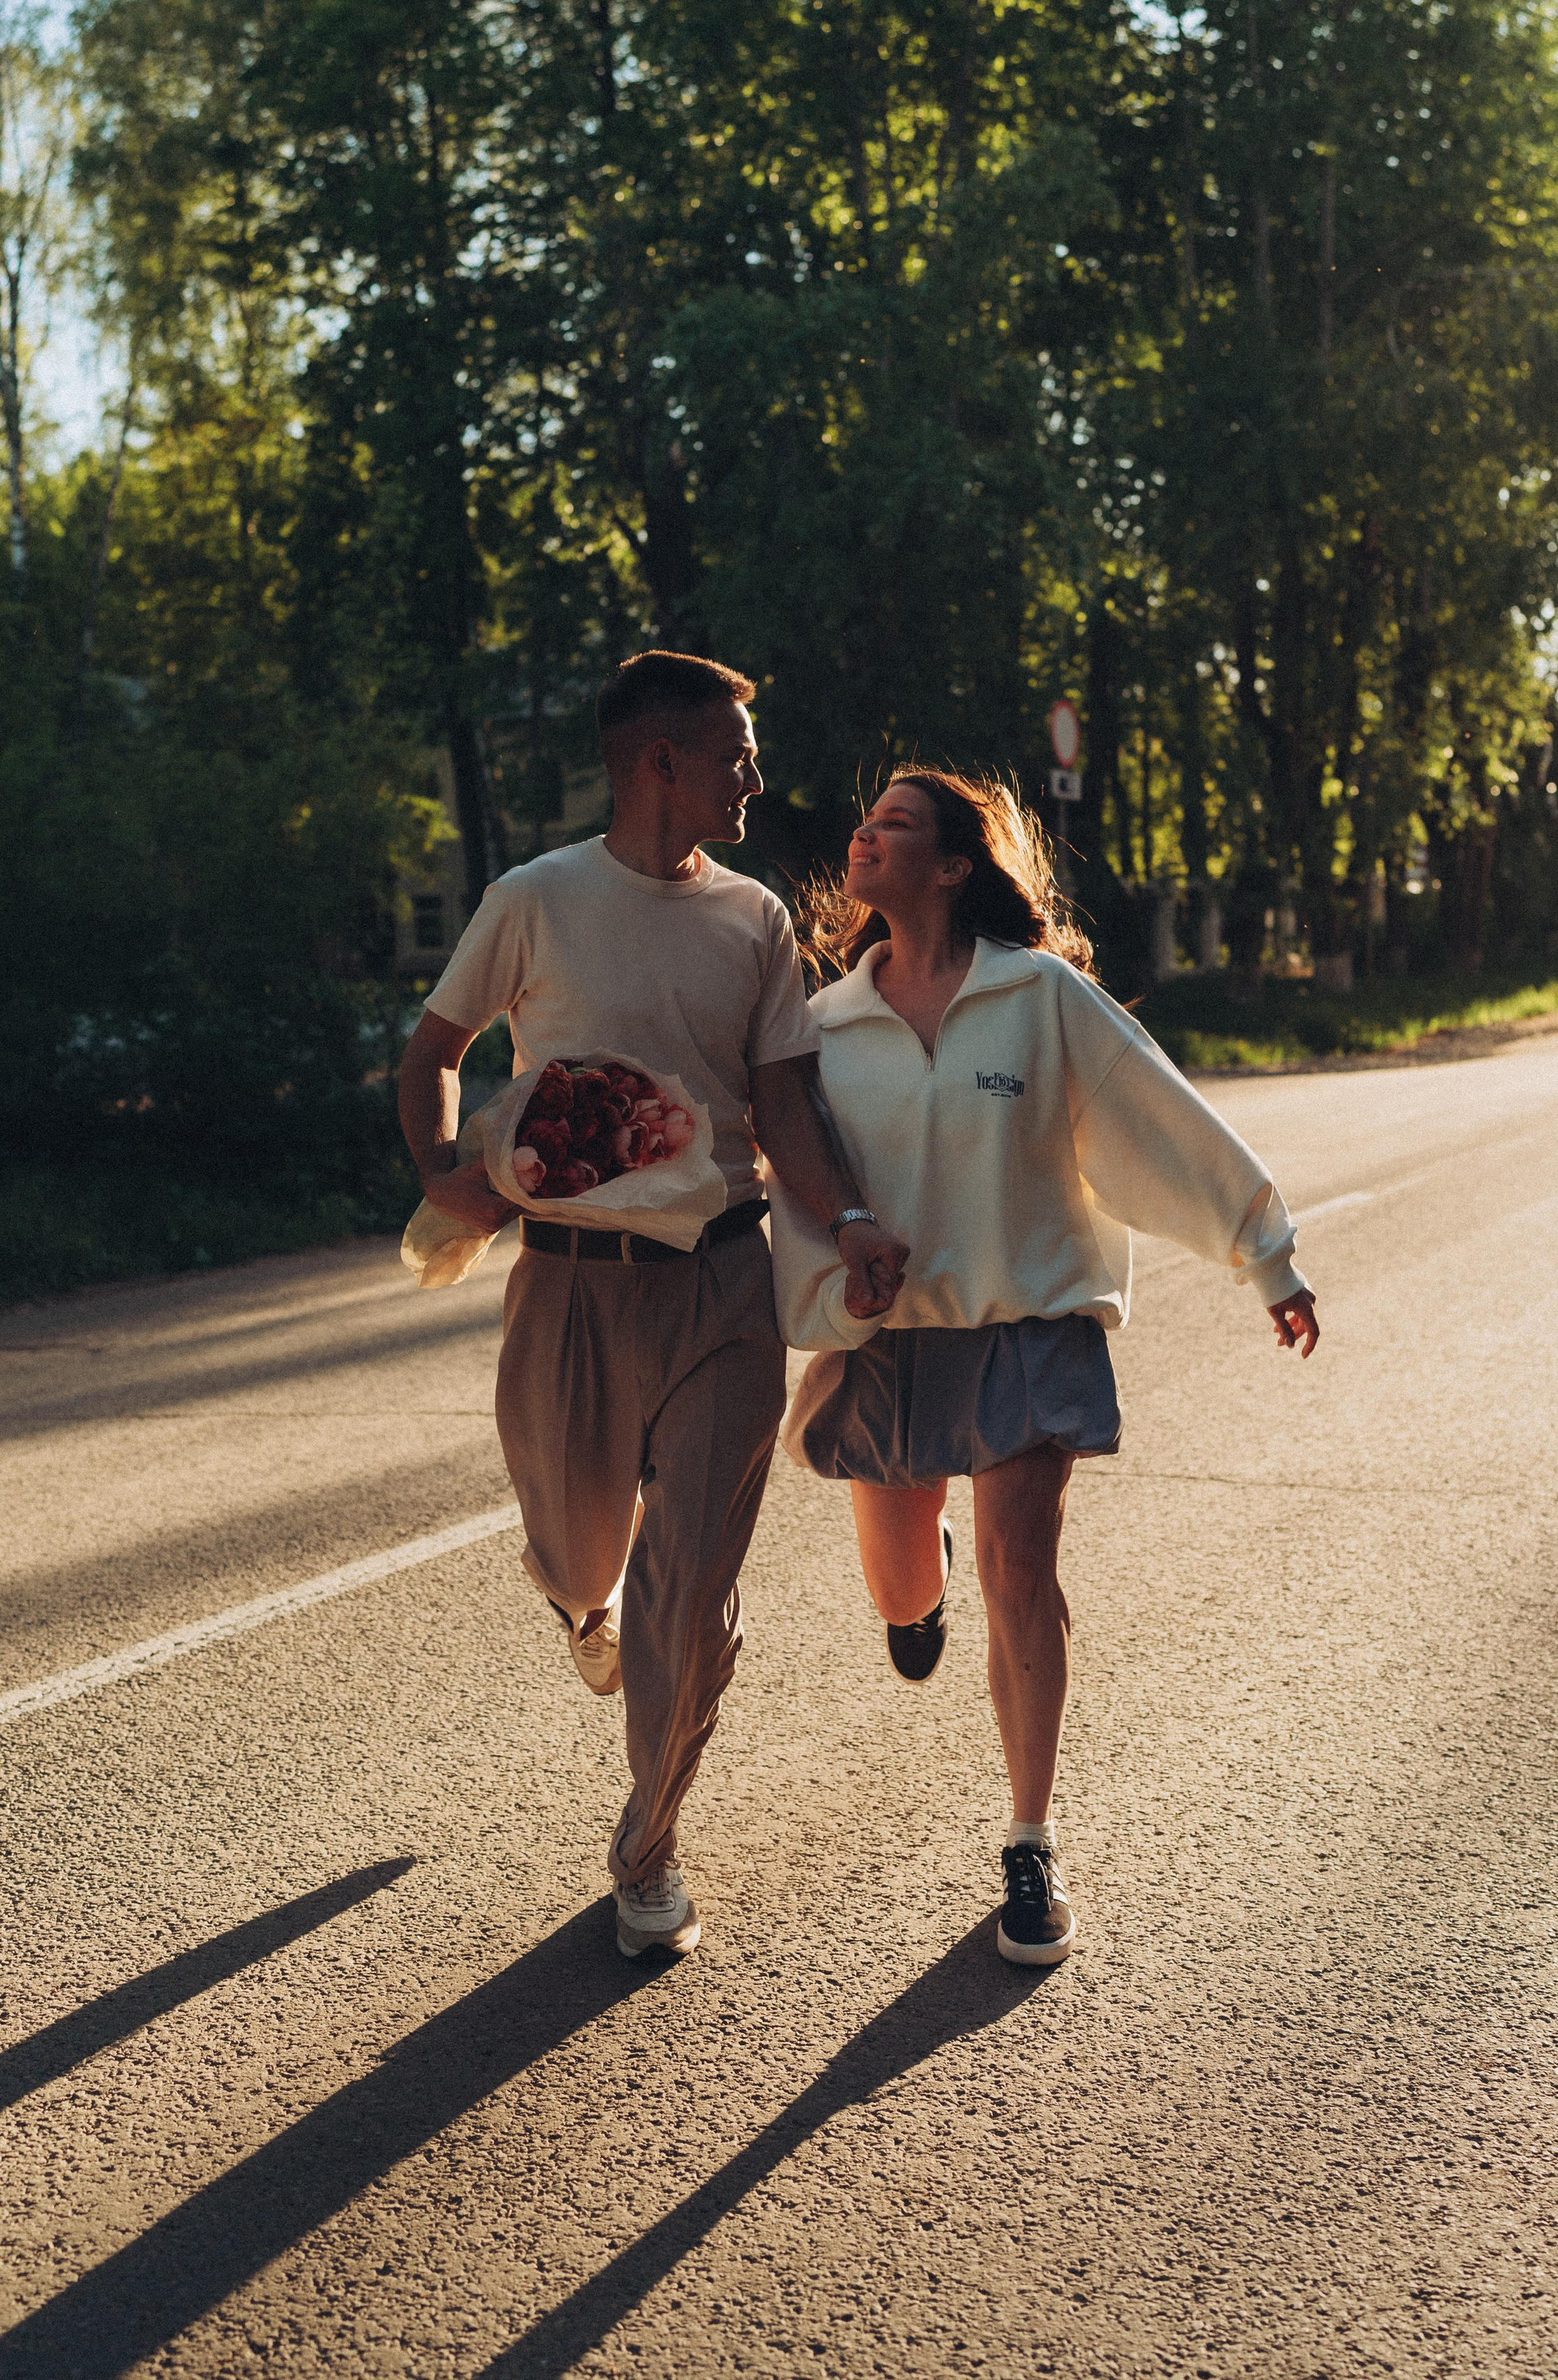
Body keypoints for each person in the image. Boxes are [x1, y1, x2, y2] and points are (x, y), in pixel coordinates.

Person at [399, 653, 907, 1961]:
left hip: (724, 1283)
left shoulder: (753, 918)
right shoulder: (536, 899)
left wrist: (850, 1221)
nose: (755, 778)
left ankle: (649, 1847)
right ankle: (583, 1607)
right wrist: (445, 1170)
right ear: (660, 762)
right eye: (736, 756)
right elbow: (436, 1050)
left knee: (689, 1595)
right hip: (567, 1286)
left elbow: (785, 1100)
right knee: (589, 1561)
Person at [769, 771, 1319, 1967]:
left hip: (1029, 1321)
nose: (864, 832)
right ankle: (920, 1590)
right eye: (865, 819)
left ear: (953, 866)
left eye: (896, 823)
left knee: (1024, 1574)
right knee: (903, 1592)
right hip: (892, 1341)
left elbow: (1159, 1118)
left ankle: (1030, 1842)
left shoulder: (1038, 996)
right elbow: (788, 1179)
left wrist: (1267, 1258)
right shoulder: (824, 1024)